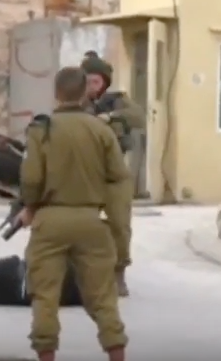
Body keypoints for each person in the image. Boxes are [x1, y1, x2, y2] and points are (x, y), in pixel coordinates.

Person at [17, 66, 129, 361]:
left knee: (45, 296)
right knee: (103, 298)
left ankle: (47, 355)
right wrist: (118, 230)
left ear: (56, 93)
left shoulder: (42, 129)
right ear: (84, 94)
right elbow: (118, 181)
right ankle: (117, 353)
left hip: (50, 220)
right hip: (91, 220)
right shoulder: (102, 131)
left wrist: (29, 208)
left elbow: (31, 178)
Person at [81, 55, 145, 297]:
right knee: (80, 224)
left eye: (96, 82)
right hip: (86, 174)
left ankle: (119, 273)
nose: (92, 87)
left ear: (105, 82)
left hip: (115, 176)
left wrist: (111, 116)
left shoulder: (118, 101)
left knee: (120, 226)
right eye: (87, 82)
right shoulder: (77, 103)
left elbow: (138, 116)